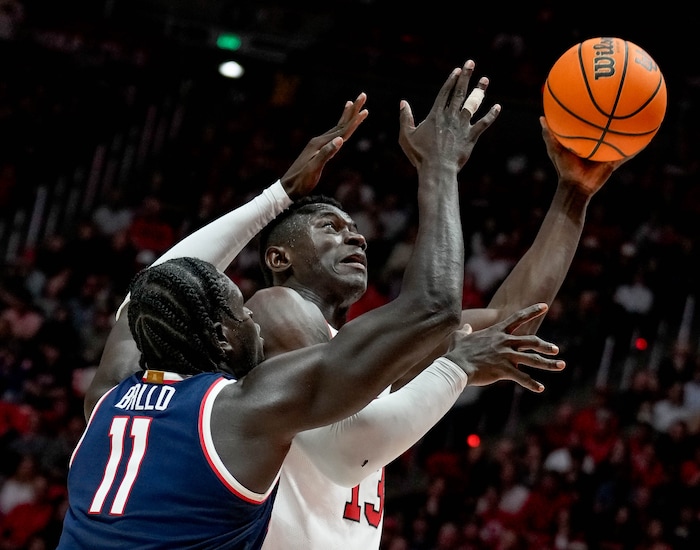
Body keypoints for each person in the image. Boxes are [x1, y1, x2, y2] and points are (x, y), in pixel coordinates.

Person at [60, 61, 564, 549]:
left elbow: (509, 321)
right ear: (278, 260)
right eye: (331, 228)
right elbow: (353, 444)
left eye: (356, 229)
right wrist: (453, 365)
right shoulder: (273, 324)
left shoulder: (113, 397)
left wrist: (572, 197)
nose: (358, 238)